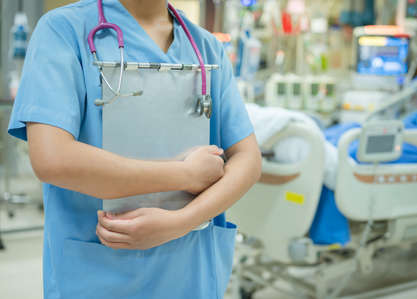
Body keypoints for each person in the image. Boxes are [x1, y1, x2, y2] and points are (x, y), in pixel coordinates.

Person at [8, 0, 261, 298]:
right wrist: (184, 174)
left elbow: (248, 159)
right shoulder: (64, 31)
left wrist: (180, 223)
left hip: (191, 270)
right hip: (101, 274)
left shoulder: (205, 47)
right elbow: (52, 158)